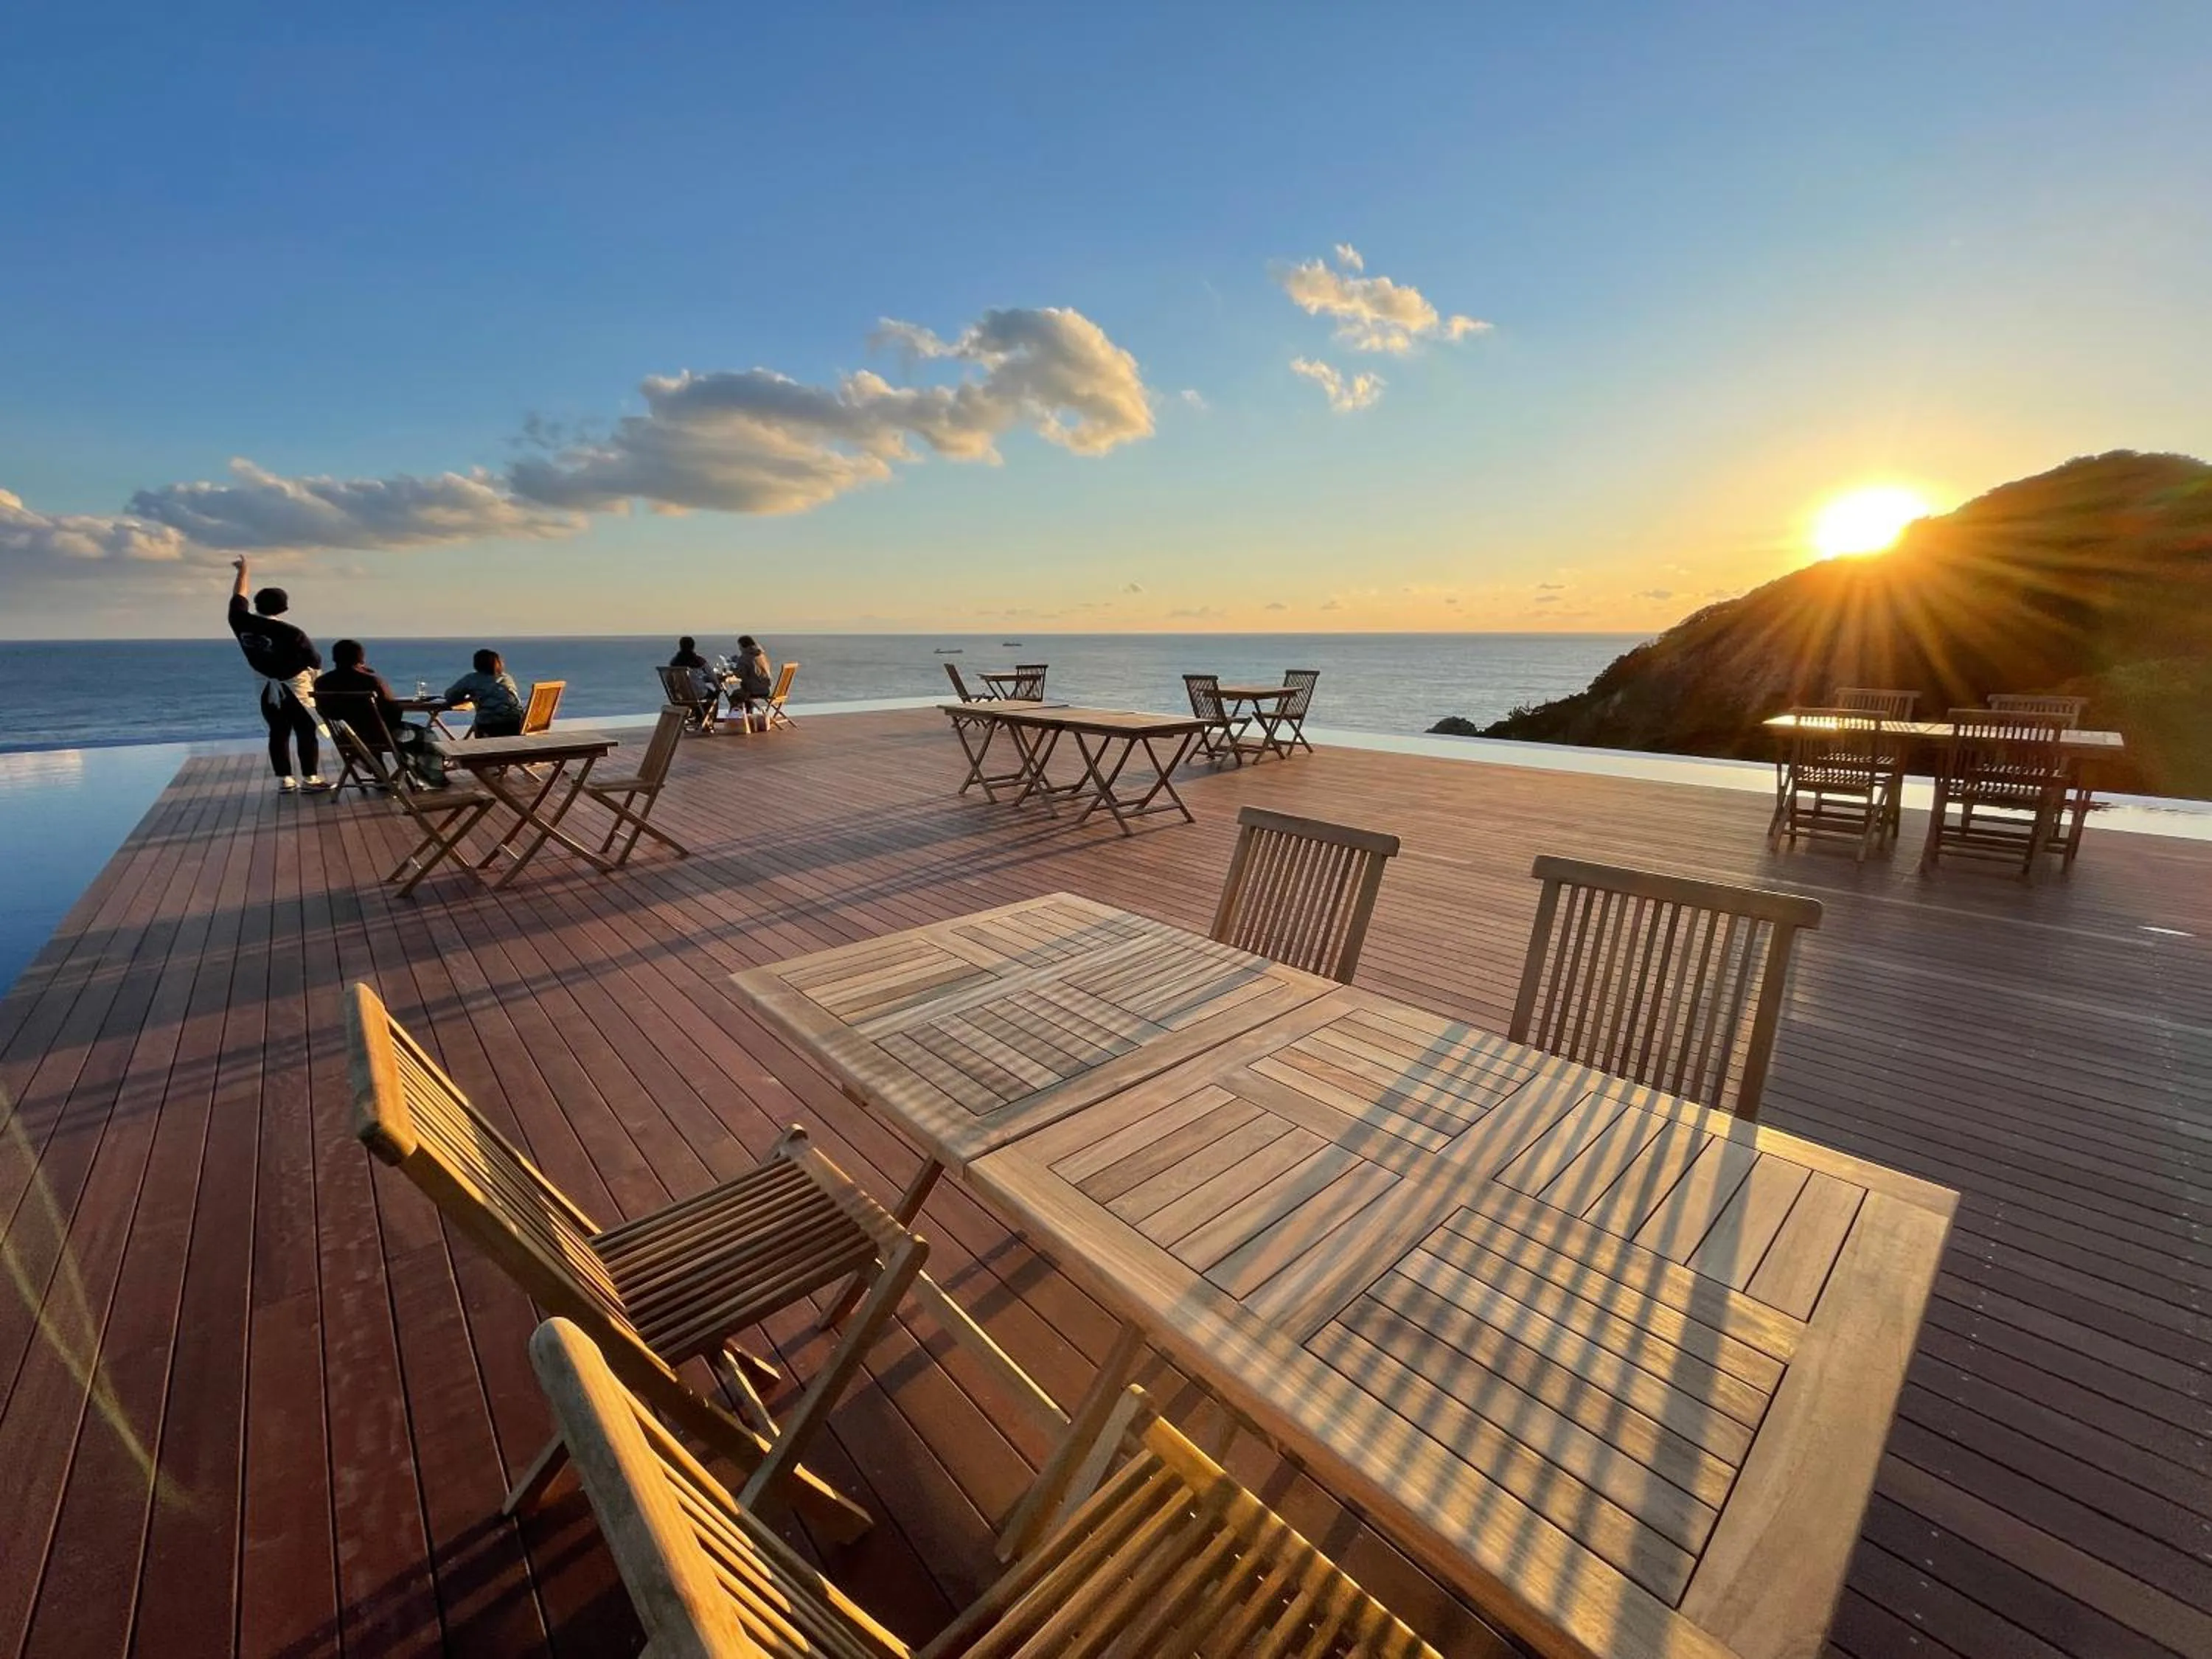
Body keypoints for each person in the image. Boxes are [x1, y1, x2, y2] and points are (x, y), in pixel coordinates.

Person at [226, 556, 327, 793]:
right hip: (295, 689)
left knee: (278, 733)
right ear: (283, 609)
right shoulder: (291, 633)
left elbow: (238, 596)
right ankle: (310, 778)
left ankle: (284, 779)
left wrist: (243, 571)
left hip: (264, 688)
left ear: (257, 604)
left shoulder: (240, 621)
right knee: (305, 731)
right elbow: (314, 660)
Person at [314, 640, 444, 786]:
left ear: (334, 658)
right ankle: (431, 778)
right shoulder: (371, 681)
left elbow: (323, 710)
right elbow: (393, 711)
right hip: (380, 735)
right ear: (361, 659)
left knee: (374, 730)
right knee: (426, 735)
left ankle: (381, 775)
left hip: (346, 737)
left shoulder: (321, 683)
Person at [443, 649, 525, 738]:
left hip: (490, 725)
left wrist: (468, 698)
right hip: (517, 723)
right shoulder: (507, 678)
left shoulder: (472, 679)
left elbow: (450, 696)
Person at [729, 635, 773, 731]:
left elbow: (741, 675)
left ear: (743, 646)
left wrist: (732, 668)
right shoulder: (761, 655)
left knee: (735, 696)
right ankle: (748, 719)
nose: (739, 648)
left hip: (754, 690)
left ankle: (736, 723)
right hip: (766, 689)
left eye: (739, 646)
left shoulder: (745, 657)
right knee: (743, 696)